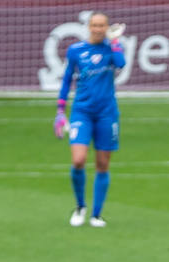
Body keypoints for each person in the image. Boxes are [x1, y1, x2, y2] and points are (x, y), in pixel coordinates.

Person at [55, 12, 125, 228]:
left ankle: (96, 214)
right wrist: (60, 110)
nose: (98, 29)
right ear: (88, 27)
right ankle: (80, 206)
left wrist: (114, 41)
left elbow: (121, 64)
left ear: (106, 27)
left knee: (103, 164)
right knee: (78, 160)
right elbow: (67, 79)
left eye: (102, 25)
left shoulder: (112, 49)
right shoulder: (76, 50)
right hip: (82, 112)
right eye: (94, 25)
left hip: (107, 113)